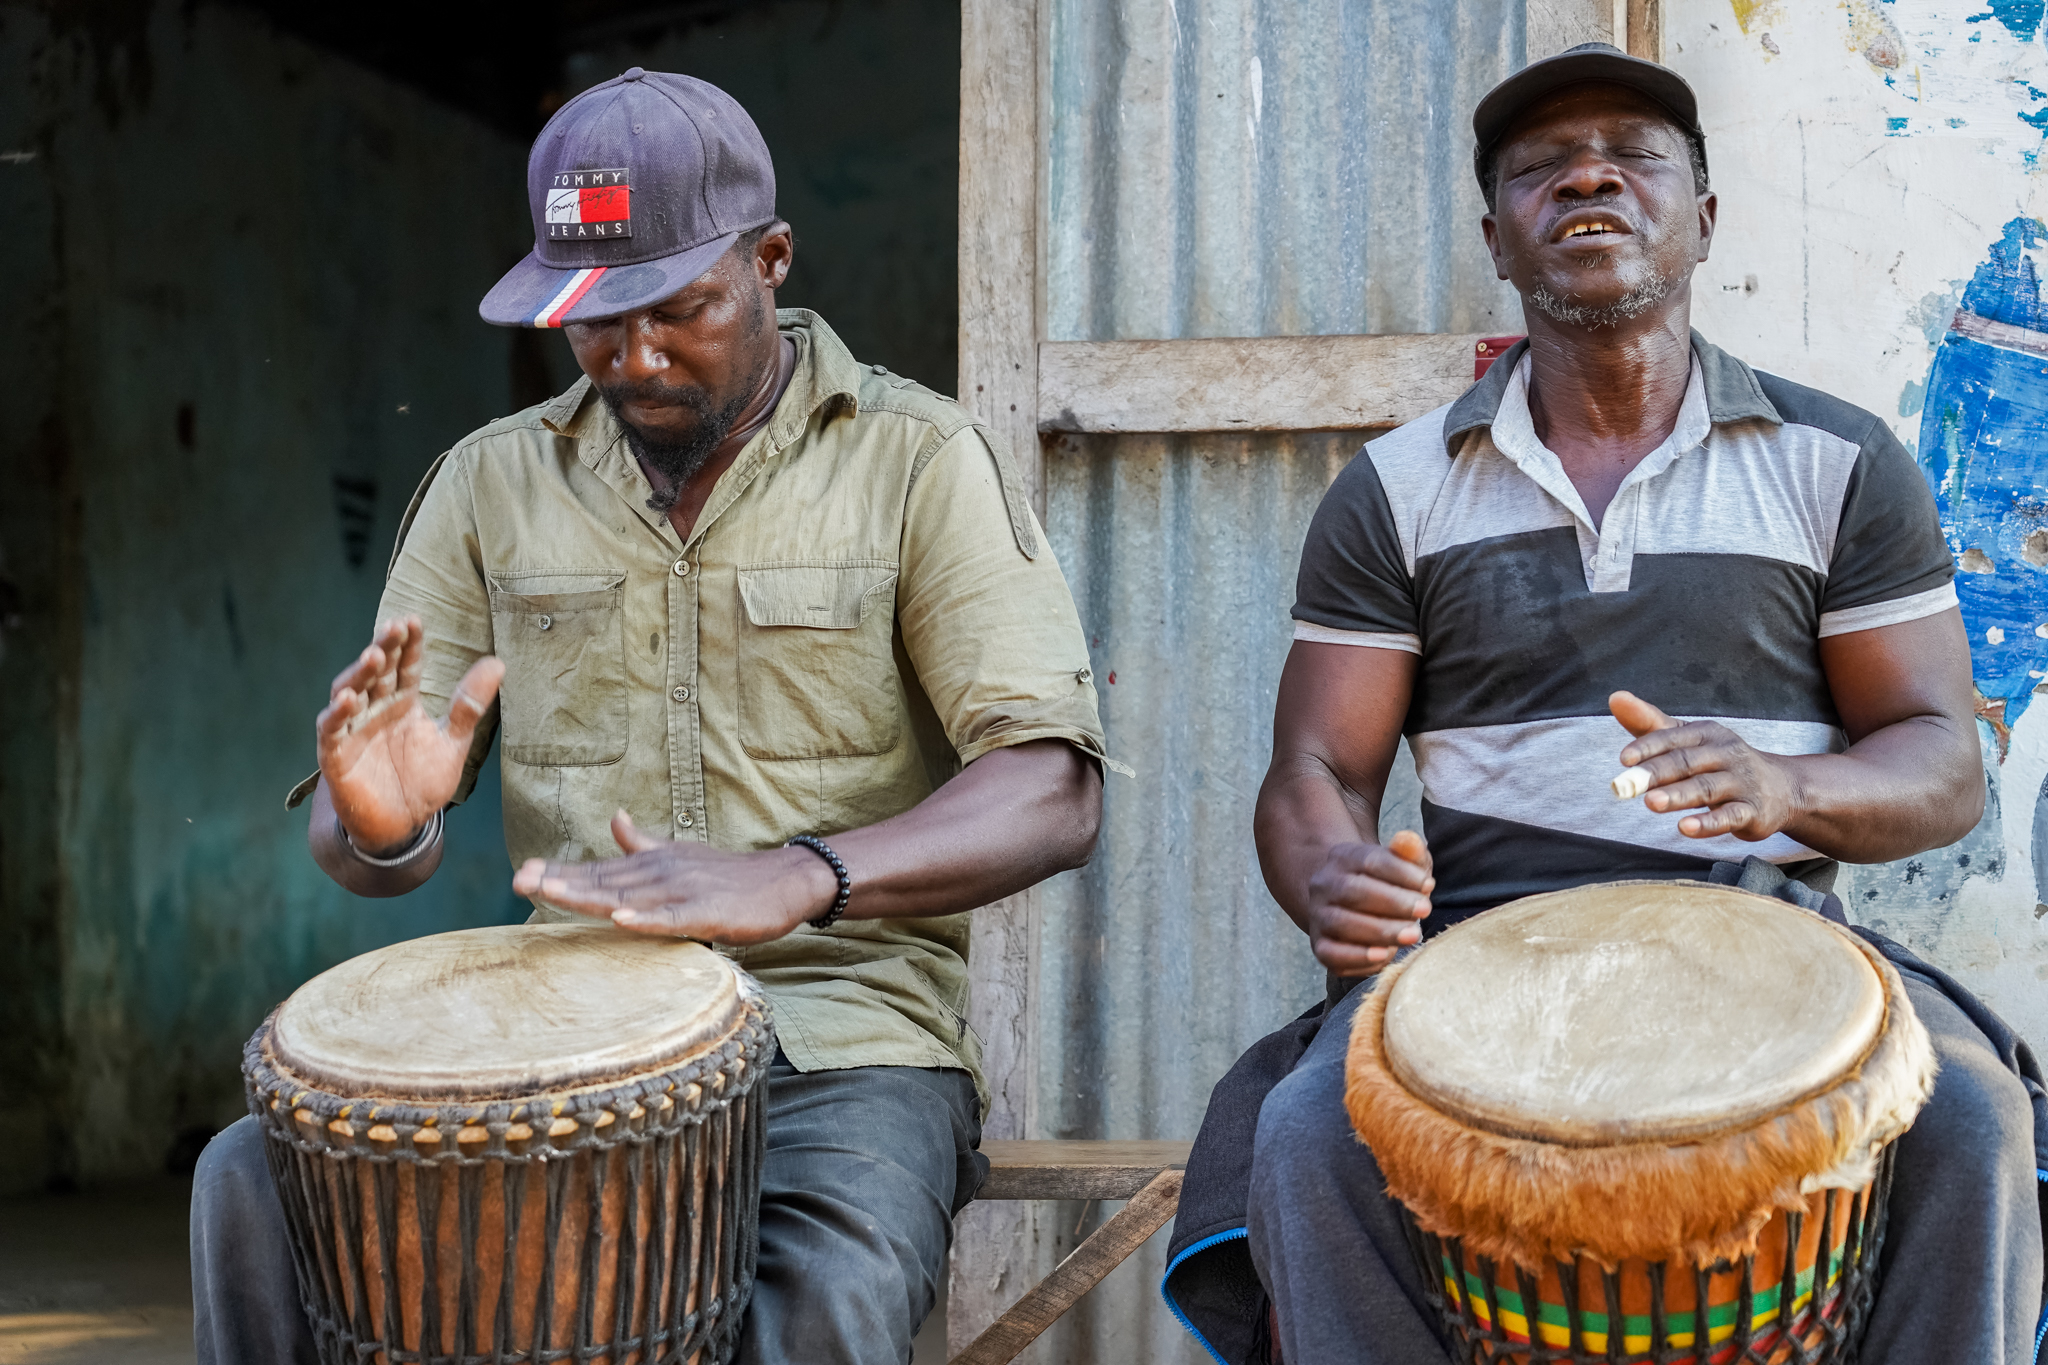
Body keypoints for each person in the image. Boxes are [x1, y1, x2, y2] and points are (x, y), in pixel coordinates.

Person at [190, 68, 1120, 1365]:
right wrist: (382, 826)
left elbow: (1053, 788)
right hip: (558, 1026)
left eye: (680, 310)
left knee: (827, 1296)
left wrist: (799, 874)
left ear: (771, 261)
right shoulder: (489, 485)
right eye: (595, 321)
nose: (634, 358)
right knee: (251, 1183)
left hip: (841, 1042)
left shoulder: (918, 462)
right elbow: (364, 857)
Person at [1161, 43, 2047, 1365]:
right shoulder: (1397, 490)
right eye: (1542, 167)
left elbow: (1941, 763)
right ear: (1497, 239)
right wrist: (1329, 874)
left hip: (1771, 946)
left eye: (1633, 156)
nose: (1588, 177)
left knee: (1972, 1120)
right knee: (1304, 1136)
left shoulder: (1838, 461)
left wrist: (1784, 786)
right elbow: (1316, 771)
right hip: (1476, 957)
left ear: (1704, 217)